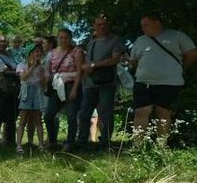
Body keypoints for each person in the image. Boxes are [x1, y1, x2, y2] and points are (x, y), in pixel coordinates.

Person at [128, 14, 197, 142]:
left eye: (146, 25)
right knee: (140, 112)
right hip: (143, 82)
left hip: (169, 83)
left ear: (157, 23)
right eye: (142, 26)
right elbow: (134, 61)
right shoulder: (140, 40)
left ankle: (161, 147)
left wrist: (181, 69)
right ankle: (137, 146)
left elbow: (192, 54)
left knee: (164, 114)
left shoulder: (177, 36)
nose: (143, 29)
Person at [77, 15, 126, 151]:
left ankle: (105, 142)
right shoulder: (91, 42)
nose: (102, 27)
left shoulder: (115, 40)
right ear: (94, 26)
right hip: (90, 83)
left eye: (104, 24)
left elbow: (115, 59)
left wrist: (95, 65)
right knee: (84, 113)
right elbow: (86, 63)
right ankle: (82, 141)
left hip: (107, 82)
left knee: (105, 112)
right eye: (99, 24)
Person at [44, 28, 84, 151]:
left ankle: (70, 142)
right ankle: (52, 140)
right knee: (49, 115)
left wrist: (74, 89)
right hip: (57, 85)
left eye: (66, 37)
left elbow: (79, 72)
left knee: (71, 116)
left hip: (71, 84)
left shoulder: (76, 52)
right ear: (57, 38)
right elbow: (49, 71)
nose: (63, 40)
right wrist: (46, 83)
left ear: (70, 38)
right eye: (61, 37)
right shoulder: (52, 53)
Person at [16, 44, 46, 152]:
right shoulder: (21, 65)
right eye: (36, 51)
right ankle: (19, 145)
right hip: (26, 92)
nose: (38, 54)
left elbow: (43, 84)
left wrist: (42, 74)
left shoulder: (42, 67)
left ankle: (41, 145)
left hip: (37, 92)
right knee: (23, 119)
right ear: (30, 53)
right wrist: (32, 67)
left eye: (40, 51)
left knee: (38, 119)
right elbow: (23, 78)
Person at [0, 35, 20, 147]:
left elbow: (16, 65)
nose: (3, 43)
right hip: (2, 86)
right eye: (0, 41)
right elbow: (3, 71)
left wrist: (16, 70)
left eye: (5, 41)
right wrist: (18, 72)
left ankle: (7, 139)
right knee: (0, 112)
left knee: (12, 114)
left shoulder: (10, 54)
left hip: (13, 86)